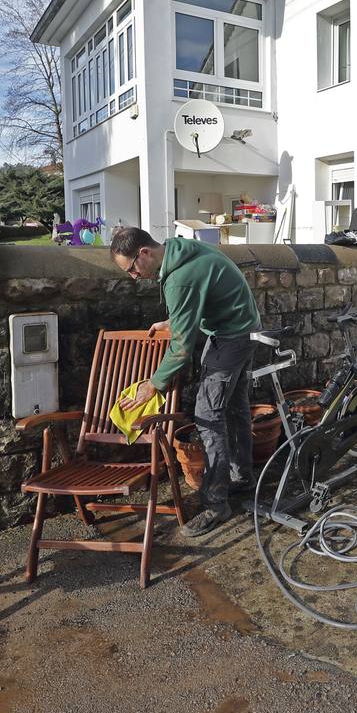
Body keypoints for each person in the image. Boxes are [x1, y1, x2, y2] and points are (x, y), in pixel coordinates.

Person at [111, 227, 261, 537]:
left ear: (144, 253)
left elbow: (181, 348)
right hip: (245, 328)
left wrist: (152, 385)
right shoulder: (181, 250)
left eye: (132, 269)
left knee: (208, 417)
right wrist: (173, 320)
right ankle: (242, 477)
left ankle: (216, 503)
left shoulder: (179, 278)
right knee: (234, 407)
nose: (134, 278)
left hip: (230, 336)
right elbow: (201, 296)